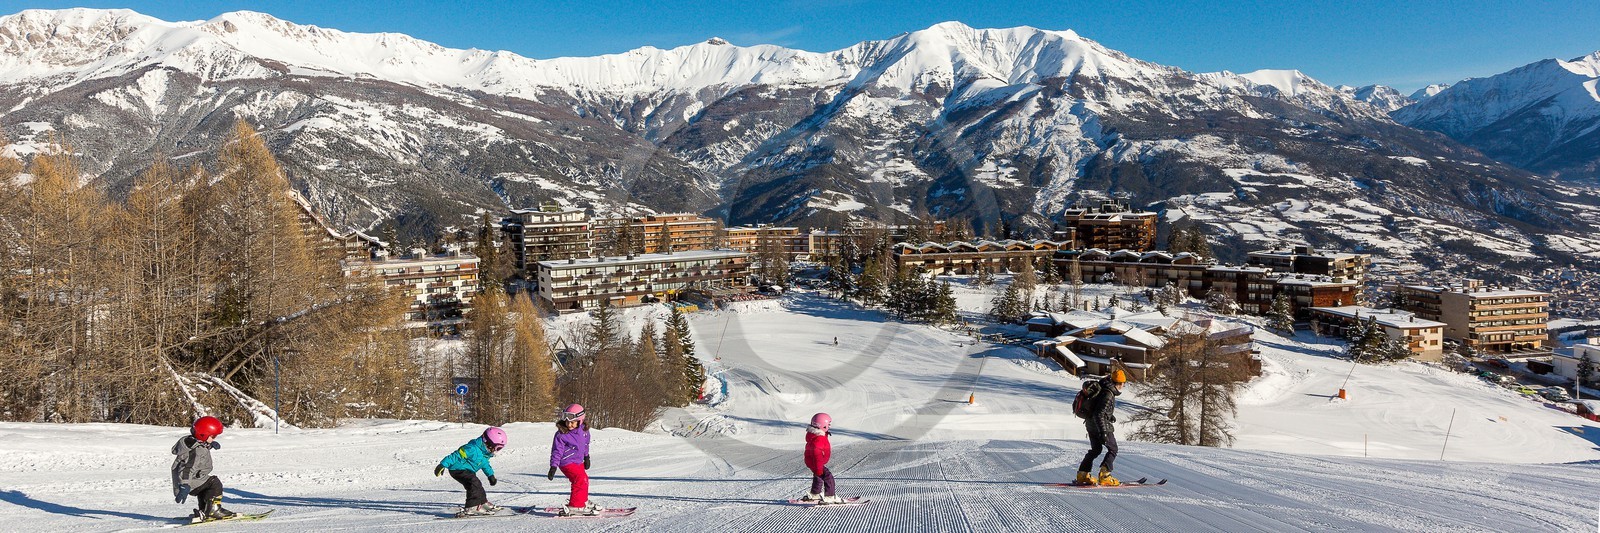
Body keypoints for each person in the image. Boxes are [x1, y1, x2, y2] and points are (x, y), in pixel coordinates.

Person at [172, 416, 236, 523]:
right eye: (213, 436)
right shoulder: (196, 451)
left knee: (205, 489)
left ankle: (204, 511)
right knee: (214, 483)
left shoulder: (194, 443)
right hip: (189, 482)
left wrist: (209, 445)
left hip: (194, 479)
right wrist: (185, 484)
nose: (214, 438)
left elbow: (199, 446)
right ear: (203, 435)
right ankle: (213, 511)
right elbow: (187, 468)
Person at [434, 427, 507, 517]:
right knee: (473, 483)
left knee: (477, 484)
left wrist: (490, 475)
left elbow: (485, 465)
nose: (496, 451)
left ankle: (482, 503)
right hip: (457, 469)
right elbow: (456, 455)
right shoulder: (472, 448)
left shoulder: (485, 454)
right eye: (497, 448)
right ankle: (471, 507)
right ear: (488, 443)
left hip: (467, 470)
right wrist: (443, 464)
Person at [1076, 367, 1126, 486]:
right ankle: (1105, 475)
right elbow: (1099, 413)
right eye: (1123, 383)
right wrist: (1103, 432)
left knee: (1096, 450)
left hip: (1090, 424)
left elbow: (1099, 410)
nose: (1123, 386)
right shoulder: (1108, 394)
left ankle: (1083, 474)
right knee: (1113, 449)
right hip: (1100, 426)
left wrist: (1109, 416)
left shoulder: (1103, 386)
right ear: (1119, 383)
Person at [547, 404, 597, 516]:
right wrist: (553, 466)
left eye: (572, 422)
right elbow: (556, 450)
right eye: (567, 421)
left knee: (584, 479)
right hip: (566, 462)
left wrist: (586, 456)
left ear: (580, 421)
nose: (569, 424)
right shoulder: (561, 434)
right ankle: (576, 506)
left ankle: (582, 501)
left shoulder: (584, 431)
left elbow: (585, 444)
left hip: (578, 461)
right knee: (579, 479)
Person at [800, 412, 844, 504]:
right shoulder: (819, 438)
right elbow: (817, 454)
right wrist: (819, 467)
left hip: (813, 462)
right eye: (828, 424)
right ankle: (830, 496)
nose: (829, 426)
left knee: (818, 476)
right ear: (822, 425)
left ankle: (815, 494)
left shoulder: (817, 435)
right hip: (816, 462)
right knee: (828, 477)